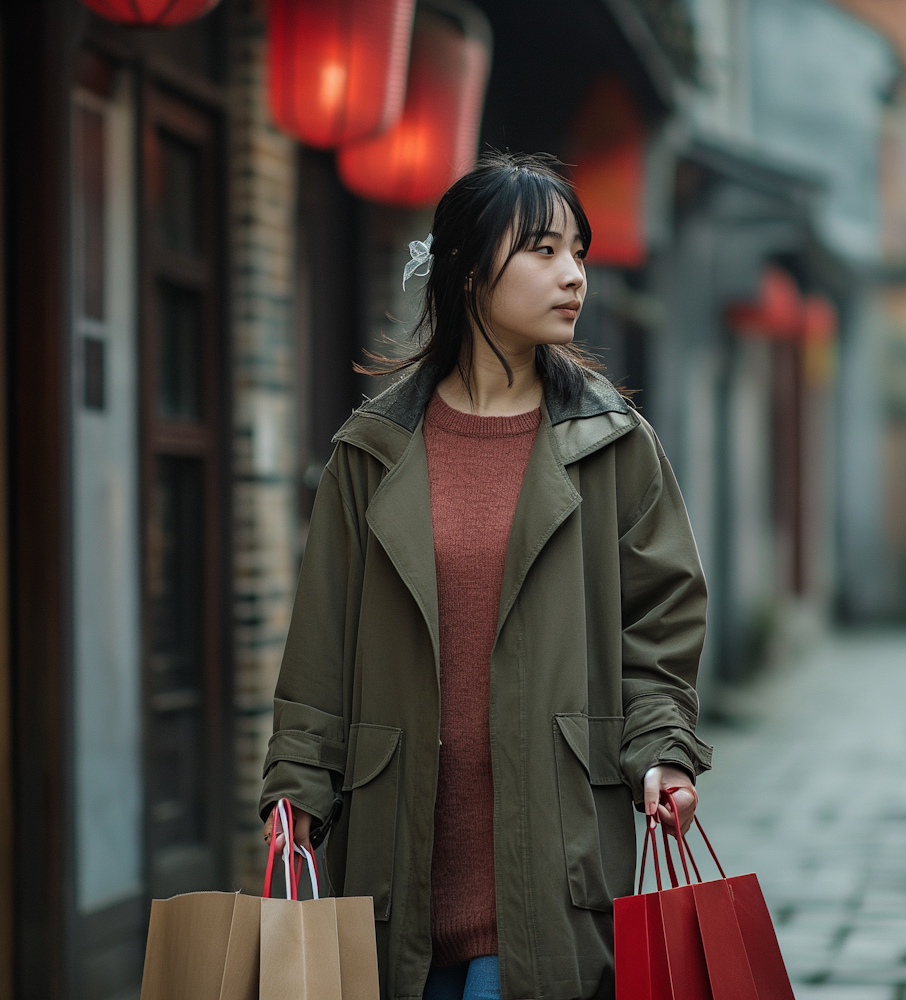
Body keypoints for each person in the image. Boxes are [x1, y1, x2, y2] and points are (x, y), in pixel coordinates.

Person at [259, 152, 711, 1000]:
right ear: (466, 268)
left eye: (579, 251)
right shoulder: (372, 451)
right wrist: (296, 791)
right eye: (543, 251)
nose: (573, 275)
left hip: (554, 853)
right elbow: (320, 648)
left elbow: (661, 624)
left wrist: (661, 755)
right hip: (395, 867)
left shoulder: (614, 445)